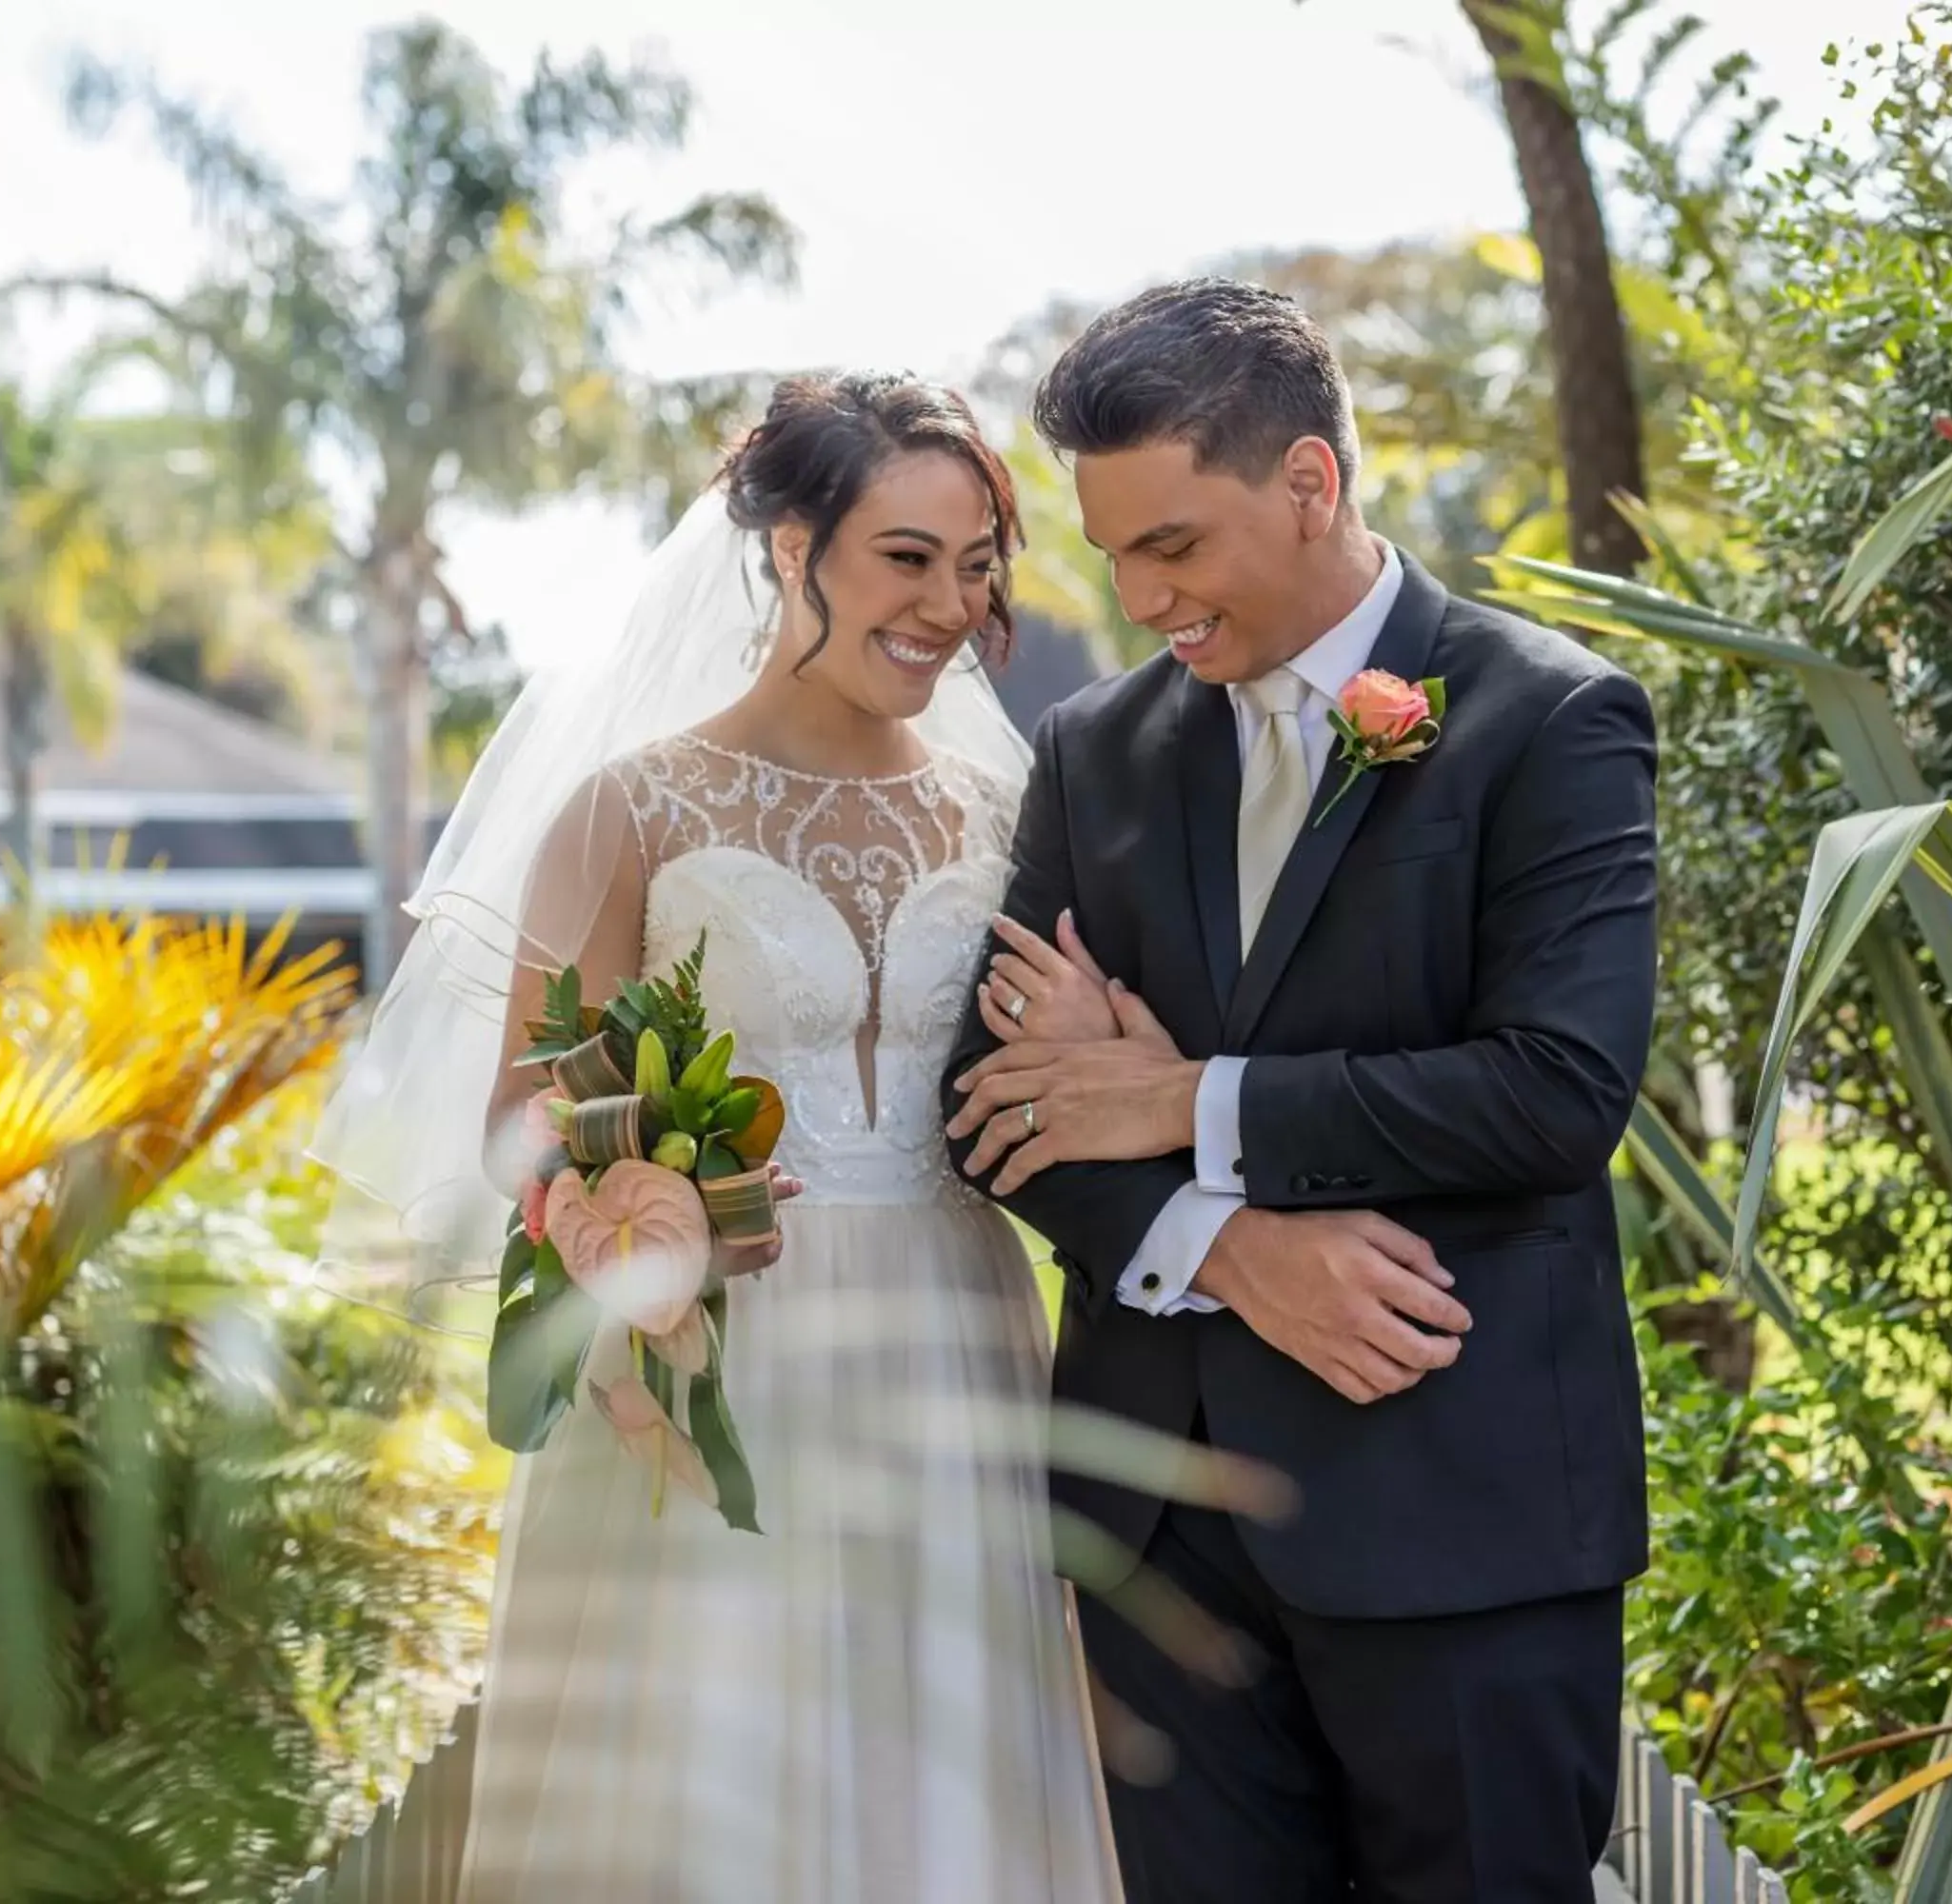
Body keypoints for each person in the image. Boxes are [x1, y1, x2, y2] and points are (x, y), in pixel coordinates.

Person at [312, 373, 1120, 1902]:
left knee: (936, 1778)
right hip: (708, 1351)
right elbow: (521, 1124)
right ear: (792, 545)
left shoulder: (1007, 814)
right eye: (906, 557)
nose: (949, 605)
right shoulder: (630, 811)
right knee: (712, 1780)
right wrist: (632, 1285)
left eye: (976, 564)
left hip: (956, 1340)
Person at [941, 277, 1662, 1903]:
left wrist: (1185, 1097)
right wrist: (1224, 1243)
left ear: (1311, 483)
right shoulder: (1090, 753)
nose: (1137, 599)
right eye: (1113, 551)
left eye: (1173, 546)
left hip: (1459, 1519)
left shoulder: (1547, 720)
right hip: (1161, 1534)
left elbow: (1555, 1092)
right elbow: (990, 1100)